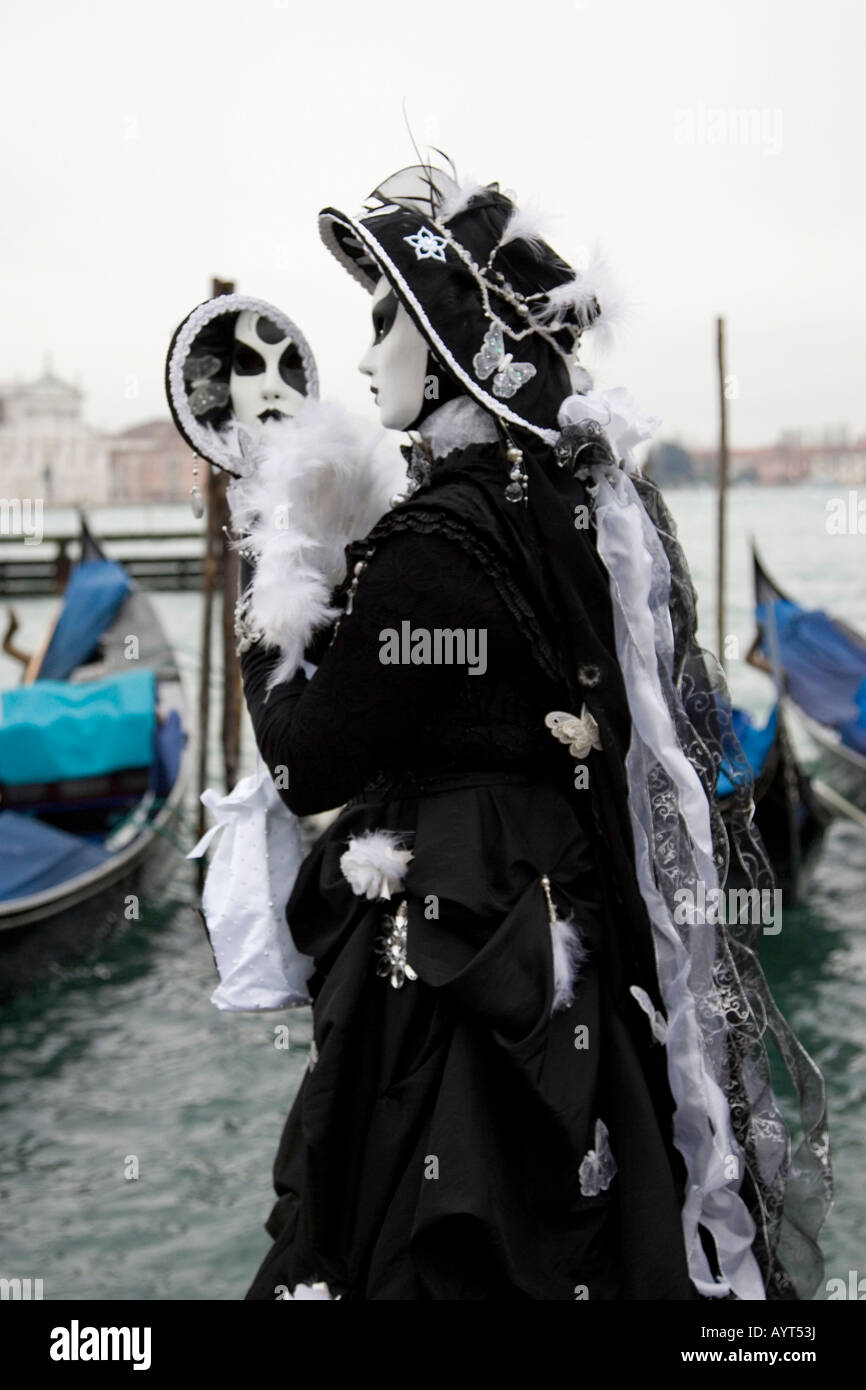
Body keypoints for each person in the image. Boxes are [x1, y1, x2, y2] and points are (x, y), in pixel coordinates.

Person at [235, 163, 831, 1301]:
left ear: (450, 346)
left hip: (459, 955)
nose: (363, 360)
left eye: (385, 323)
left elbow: (307, 760)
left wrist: (274, 585)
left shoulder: (434, 544)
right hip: (562, 919)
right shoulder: (559, 509)